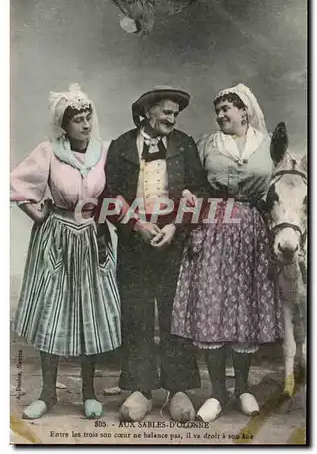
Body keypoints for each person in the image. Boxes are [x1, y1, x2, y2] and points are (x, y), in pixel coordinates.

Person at [171, 83, 284, 422]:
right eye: (217, 111)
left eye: (227, 109)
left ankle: (243, 388)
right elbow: (187, 181)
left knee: (245, 309)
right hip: (214, 227)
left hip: (252, 231)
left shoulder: (267, 147)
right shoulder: (206, 146)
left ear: (245, 111)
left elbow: (282, 187)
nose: (220, 115)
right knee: (214, 307)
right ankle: (217, 393)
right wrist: (190, 195)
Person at [10, 84, 121, 420]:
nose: (85, 125)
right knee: (51, 312)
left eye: (88, 118)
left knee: (88, 314)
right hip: (56, 237)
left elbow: (112, 195)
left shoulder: (105, 152)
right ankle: (47, 393)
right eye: (77, 120)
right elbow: (15, 184)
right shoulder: (49, 151)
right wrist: (37, 212)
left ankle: (88, 392)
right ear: (64, 126)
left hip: (91, 236)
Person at [101, 86, 209, 422]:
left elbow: (201, 190)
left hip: (173, 241)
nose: (172, 119)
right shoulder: (121, 146)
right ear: (147, 113)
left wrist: (176, 226)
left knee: (174, 314)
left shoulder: (185, 144)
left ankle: (178, 388)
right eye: (166, 112)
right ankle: (140, 389)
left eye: (175, 114)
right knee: (137, 314)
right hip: (136, 243)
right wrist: (136, 225)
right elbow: (109, 195)